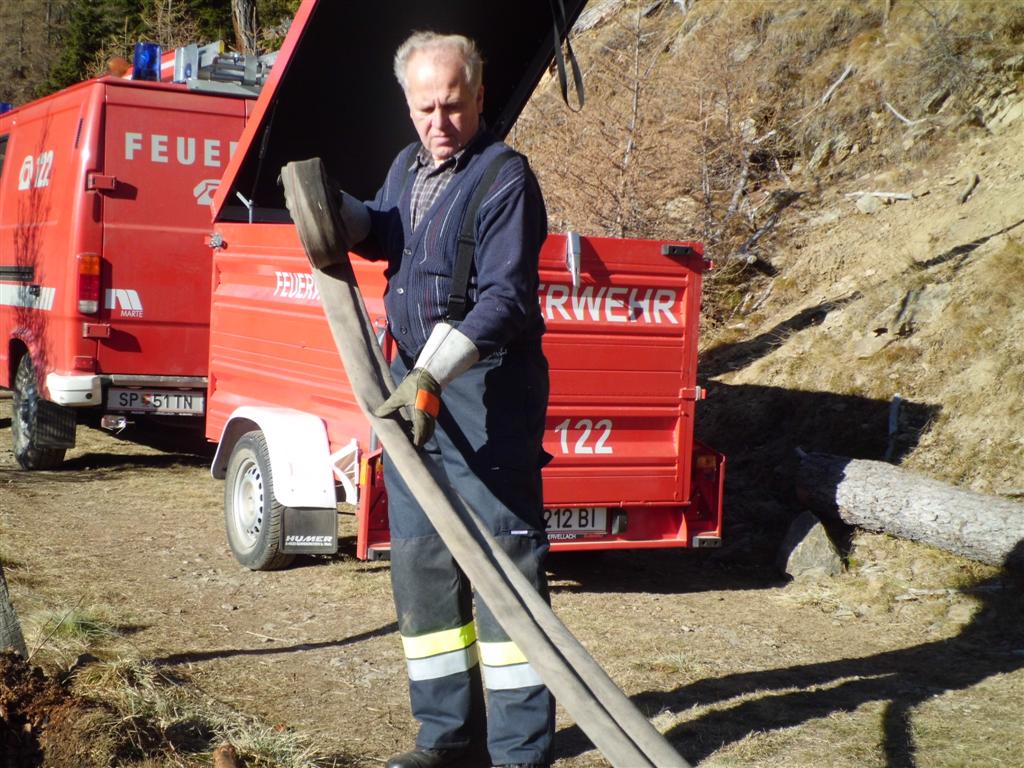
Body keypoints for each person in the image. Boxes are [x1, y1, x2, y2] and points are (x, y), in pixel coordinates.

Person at [325, 31, 554, 768]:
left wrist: (432, 373)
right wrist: (342, 215)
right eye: (425, 108)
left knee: (503, 565)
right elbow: (390, 231)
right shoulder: (407, 167)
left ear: (479, 97)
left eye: (453, 106)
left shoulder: (505, 178)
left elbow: (506, 300)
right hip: (414, 393)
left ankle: (519, 751)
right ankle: (447, 740)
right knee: (422, 562)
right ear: (408, 106)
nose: (439, 122)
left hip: (487, 393)